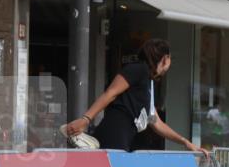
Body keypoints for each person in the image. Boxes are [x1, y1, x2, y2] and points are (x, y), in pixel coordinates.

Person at [65, 39, 206, 154]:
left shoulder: (149, 82)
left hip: (124, 138)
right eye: (170, 59)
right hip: (114, 133)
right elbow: (110, 93)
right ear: (165, 59)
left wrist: (185, 142)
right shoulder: (137, 69)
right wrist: (86, 119)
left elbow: (156, 123)